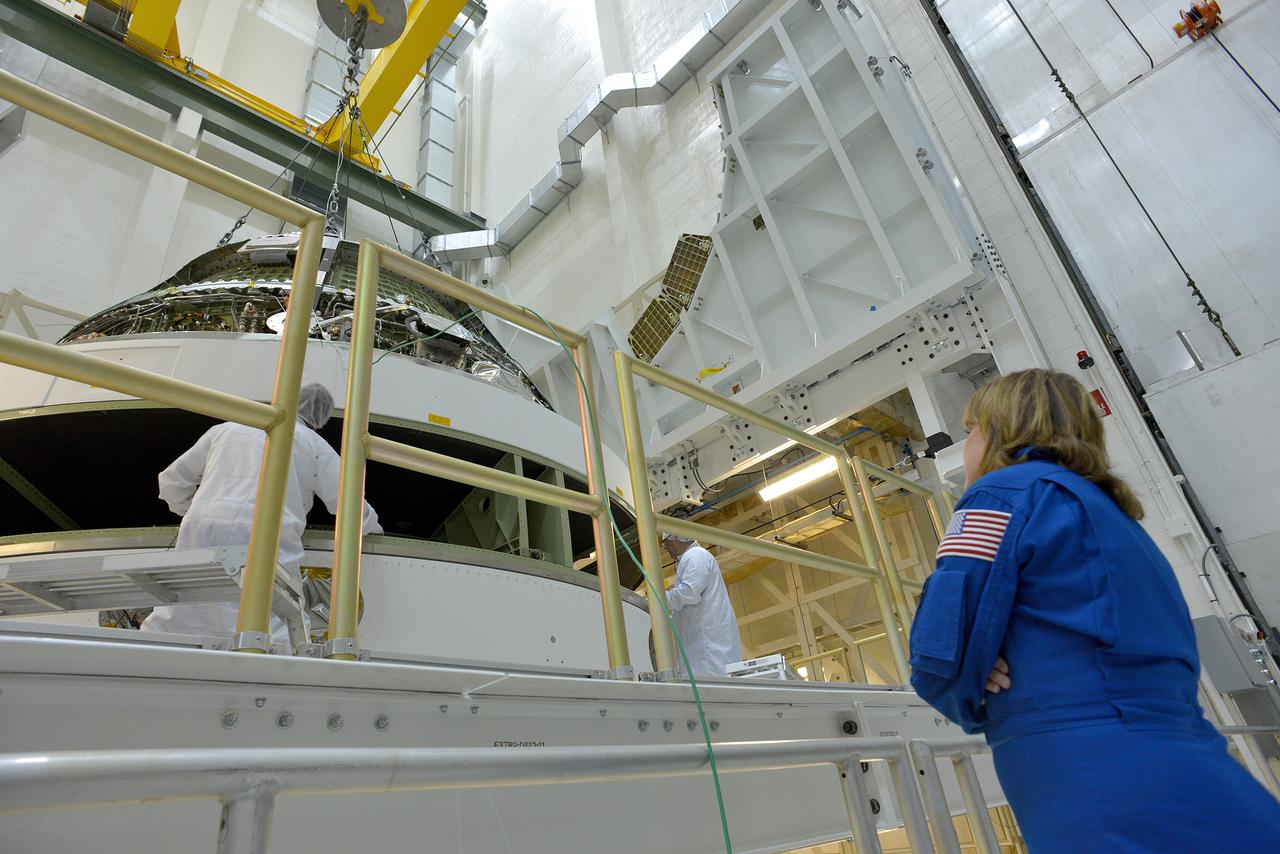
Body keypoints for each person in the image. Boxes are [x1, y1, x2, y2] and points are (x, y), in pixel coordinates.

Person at [909, 369, 1280, 851]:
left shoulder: (1000, 495)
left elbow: (940, 654)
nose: (967, 447)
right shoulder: (1117, 518)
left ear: (1001, 429)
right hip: (1181, 751)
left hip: (1083, 766)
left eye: (970, 431)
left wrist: (970, 671)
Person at [142, 384, 382, 646]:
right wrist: (374, 528)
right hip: (265, 534)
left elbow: (171, 480)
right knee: (268, 614)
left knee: (185, 604)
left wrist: (189, 510)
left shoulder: (226, 429)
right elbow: (349, 504)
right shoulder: (313, 444)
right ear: (318, 418)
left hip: (201, 527)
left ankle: (159, 652)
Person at [662, 533, 742, 677]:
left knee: (709, 691)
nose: (666, 547)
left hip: (708, 653)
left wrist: (659, 599)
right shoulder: (690, 558)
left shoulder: (695, 555)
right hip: (701, 650)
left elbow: (689, 592)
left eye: (666, 542)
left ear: (677, 538)